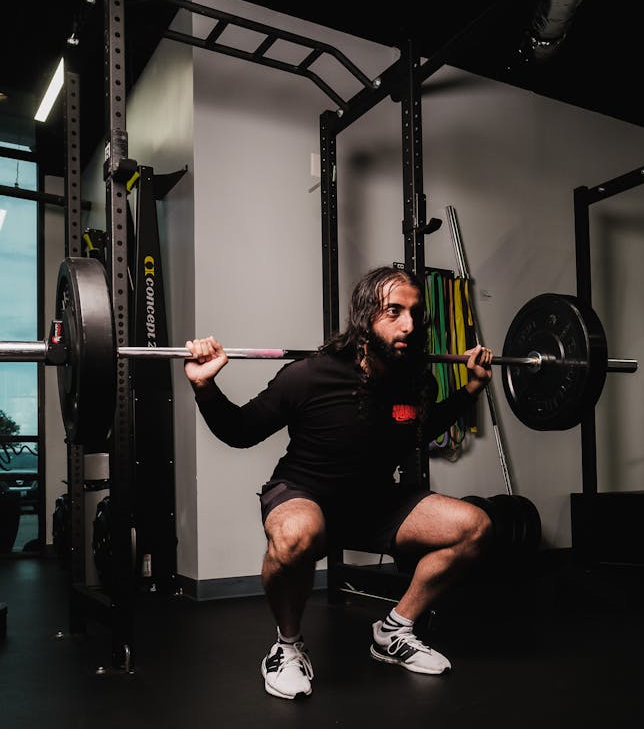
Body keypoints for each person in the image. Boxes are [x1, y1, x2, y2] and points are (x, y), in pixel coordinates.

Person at [184, 265, 495, 700]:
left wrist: (470, 391)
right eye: (394, 311)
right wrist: (205, 387)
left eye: (414, 312)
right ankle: (287, 646)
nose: (408, 324)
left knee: (474, 526)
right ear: (366, 315)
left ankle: (394, 629)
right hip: (303, 494)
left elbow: (420, 427)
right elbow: (240, 432)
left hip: (374, 504)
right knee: (297, 536)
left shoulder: (414, 377)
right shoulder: (309, 375)